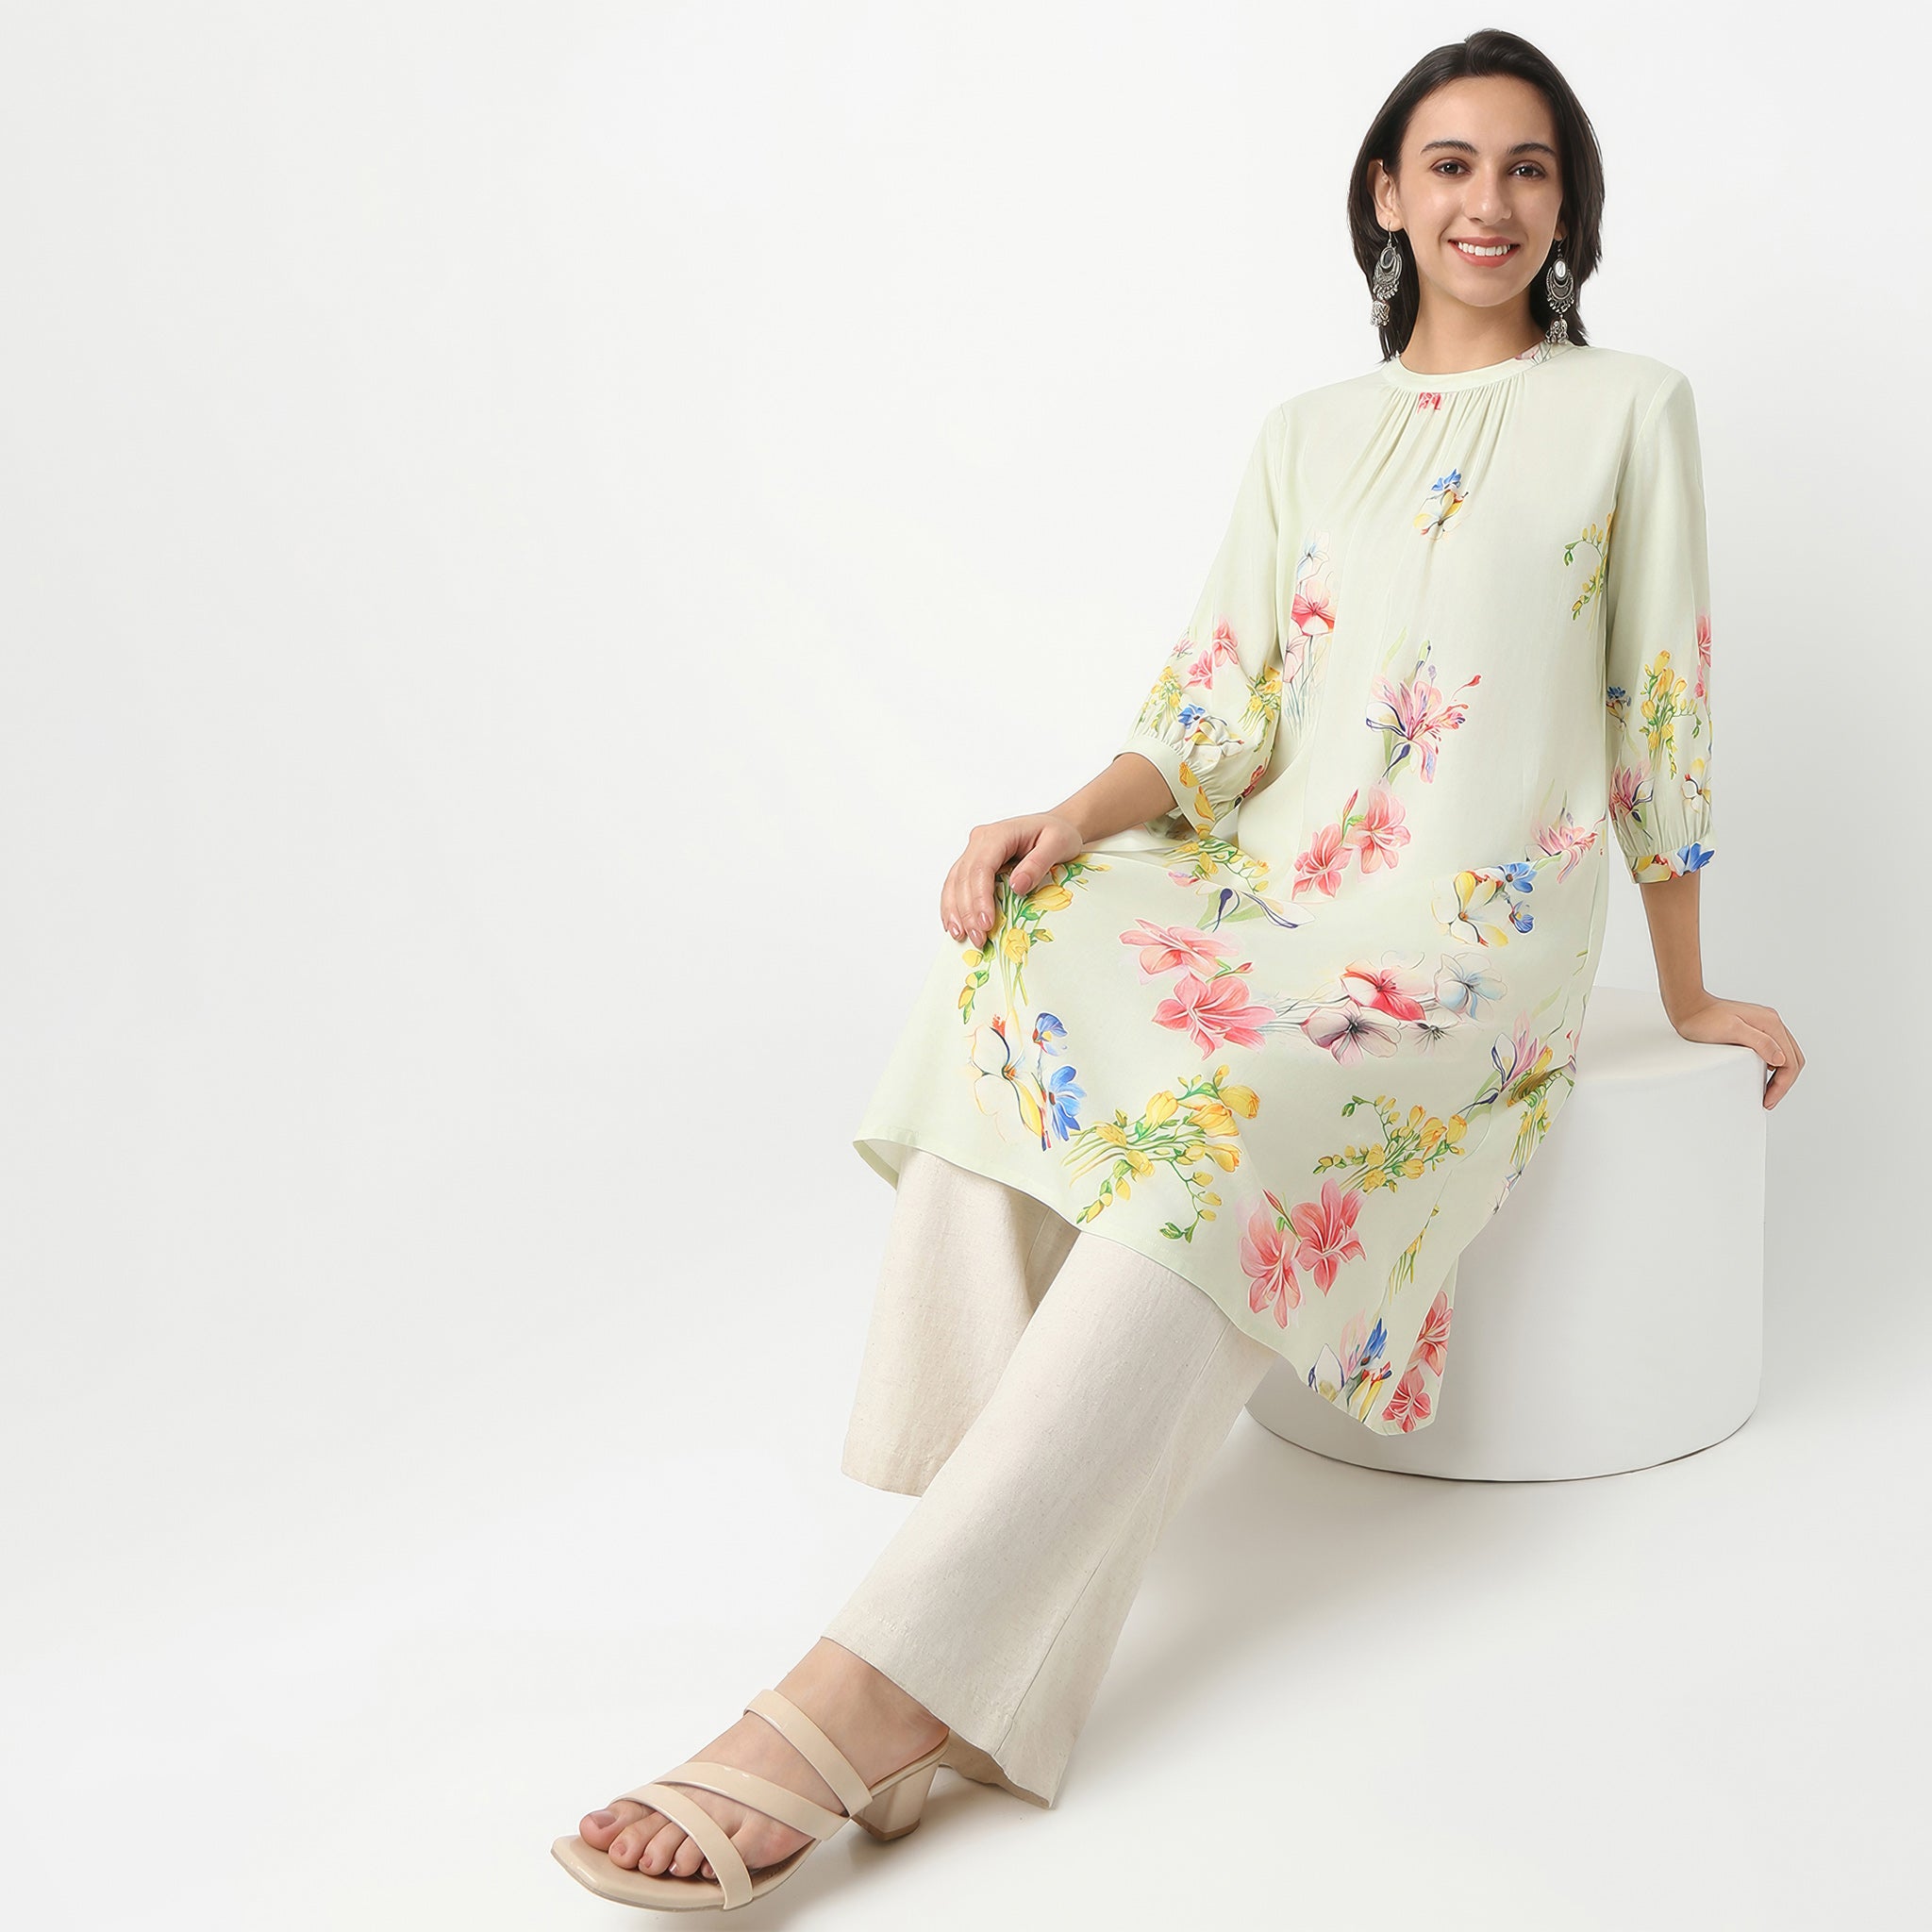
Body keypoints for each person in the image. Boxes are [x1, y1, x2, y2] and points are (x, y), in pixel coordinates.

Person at [552, 26, 1804, 1912]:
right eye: (1451, 163)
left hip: (1464, 950)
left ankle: (874, 1688)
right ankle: (969, 1589)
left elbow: (1660, 707)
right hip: (1270, 889)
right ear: (1385, 193)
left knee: (1227, 1125)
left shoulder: (1631, 407)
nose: (1488, 202)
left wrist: (1690, 989)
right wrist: (1063, 820)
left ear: (1569, 207)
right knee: (1013, 954)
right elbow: (1221, 708)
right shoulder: (1305, 433)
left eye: (1528, 168)